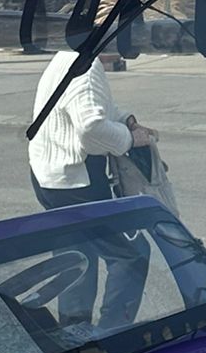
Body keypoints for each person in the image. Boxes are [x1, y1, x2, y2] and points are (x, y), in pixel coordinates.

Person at [27, 49, 157, 329]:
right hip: (77, 182)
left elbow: (95, 107)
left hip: (51, 177)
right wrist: (130, 139)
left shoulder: (68, 55)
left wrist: (127, 120)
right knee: (131, 255)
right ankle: (112, 335)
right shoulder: (86, 68)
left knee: (77, 257)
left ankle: (75, 334)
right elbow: (90, 128)